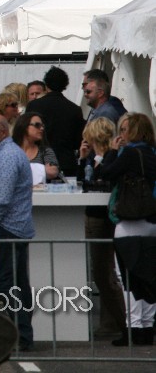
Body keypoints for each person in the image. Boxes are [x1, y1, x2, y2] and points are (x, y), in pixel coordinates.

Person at [94, 113, 156, 346]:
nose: (121, 134)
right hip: (151, 218)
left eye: (124, 129)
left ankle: (133, 327)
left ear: (134, 131)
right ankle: (147, 327)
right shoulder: (151, 152)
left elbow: (106, 173)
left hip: (131, 219)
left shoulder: (130, 154)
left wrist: (110, 151)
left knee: (127, 276)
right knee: (148, 275)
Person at [0, 113, 35, 350]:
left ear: (3, 132)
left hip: (8, 228)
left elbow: (1, 199)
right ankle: (21, 336)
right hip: (14, 227)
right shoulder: (5, 153)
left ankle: (16, 336)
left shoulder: (7, 156)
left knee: (6, 284)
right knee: (17, 284)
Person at [77, 117, 128, 339]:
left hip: (101, 217)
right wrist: (82, 159)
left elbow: (100, 181)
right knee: (105, 272)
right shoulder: (99, 158)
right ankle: (112, 323)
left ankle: (123, 322)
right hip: (101, 216)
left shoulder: (109, 158)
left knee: (103, 272)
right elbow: (84, 181)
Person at [25, 66, 85, 177]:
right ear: (65, 85)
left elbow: (26, 134)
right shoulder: (74, 109)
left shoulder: (34, 106)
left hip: (39, 161)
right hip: (66, 162)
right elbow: (78, 141)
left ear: (46, 85)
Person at [12, 112, 60, 182]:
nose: (42, 128)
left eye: (43, 126)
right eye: (37, 125)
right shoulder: (11, 151)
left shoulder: (45, 151)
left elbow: (52, 172)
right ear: (24, 126)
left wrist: (19, 170)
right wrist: (42, 169)